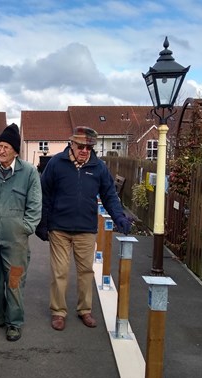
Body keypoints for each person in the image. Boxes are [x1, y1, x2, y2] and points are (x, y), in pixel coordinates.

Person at [35, 126, 132, 331]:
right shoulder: (56, 164)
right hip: (59, 228)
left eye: (89, 147)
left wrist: (119, 217)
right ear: (71, 144)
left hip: (86, 229)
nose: (85, 150)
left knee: (86, 272)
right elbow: (44, 195)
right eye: (81, 146)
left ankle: (84, 310)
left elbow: (109, 196)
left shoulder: (98, 168)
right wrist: (42, 223)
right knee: (60, 272)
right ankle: (58, 312)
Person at [0, 123, 42, 342]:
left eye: (6, 146)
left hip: (16, 240)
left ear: (15, 151)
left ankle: (14, 322)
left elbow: (35, 205)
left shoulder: (29, 172)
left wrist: (26, 228)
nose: (1, 150)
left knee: (14, 281)